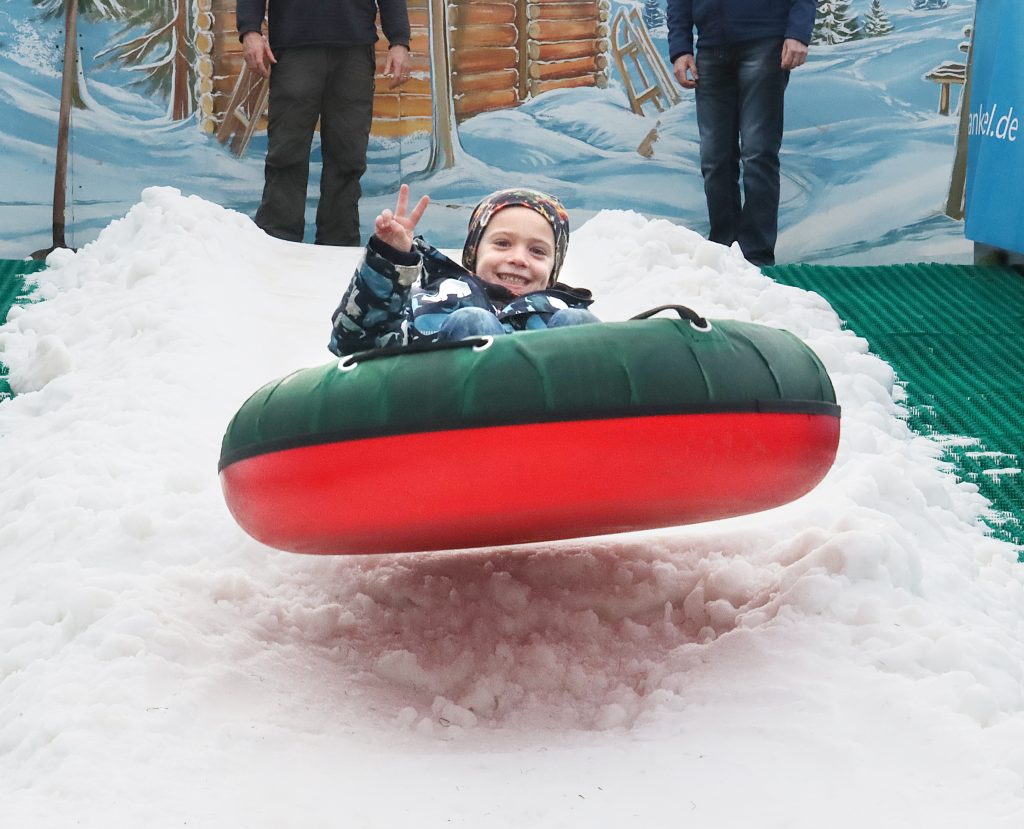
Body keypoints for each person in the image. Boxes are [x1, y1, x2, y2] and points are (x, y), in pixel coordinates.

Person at [329, 186, 599, 356]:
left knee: (578, 325)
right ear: (474, 252)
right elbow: (356, 344)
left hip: (553, 426)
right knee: (473, 322)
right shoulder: (436, 300)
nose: (519, 259)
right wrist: (391, 258)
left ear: (554, 266)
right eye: (502, 244)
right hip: (455, 421)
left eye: (537, 251)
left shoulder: (560, 310)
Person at [235, 0, 411, 246]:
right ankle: (277, 242)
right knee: (286, 152)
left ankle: (338, 245)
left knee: (348, 156)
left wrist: (400, 41)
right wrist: (249, 30)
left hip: (354, 49)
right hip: (294, 46)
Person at [667, 0, 816, 266]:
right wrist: (680, 48)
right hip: (710, 50)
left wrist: (798, 32)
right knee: (715, 159)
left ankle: (756, 256)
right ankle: (722, 251)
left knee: (758, 153)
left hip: (765, 42)